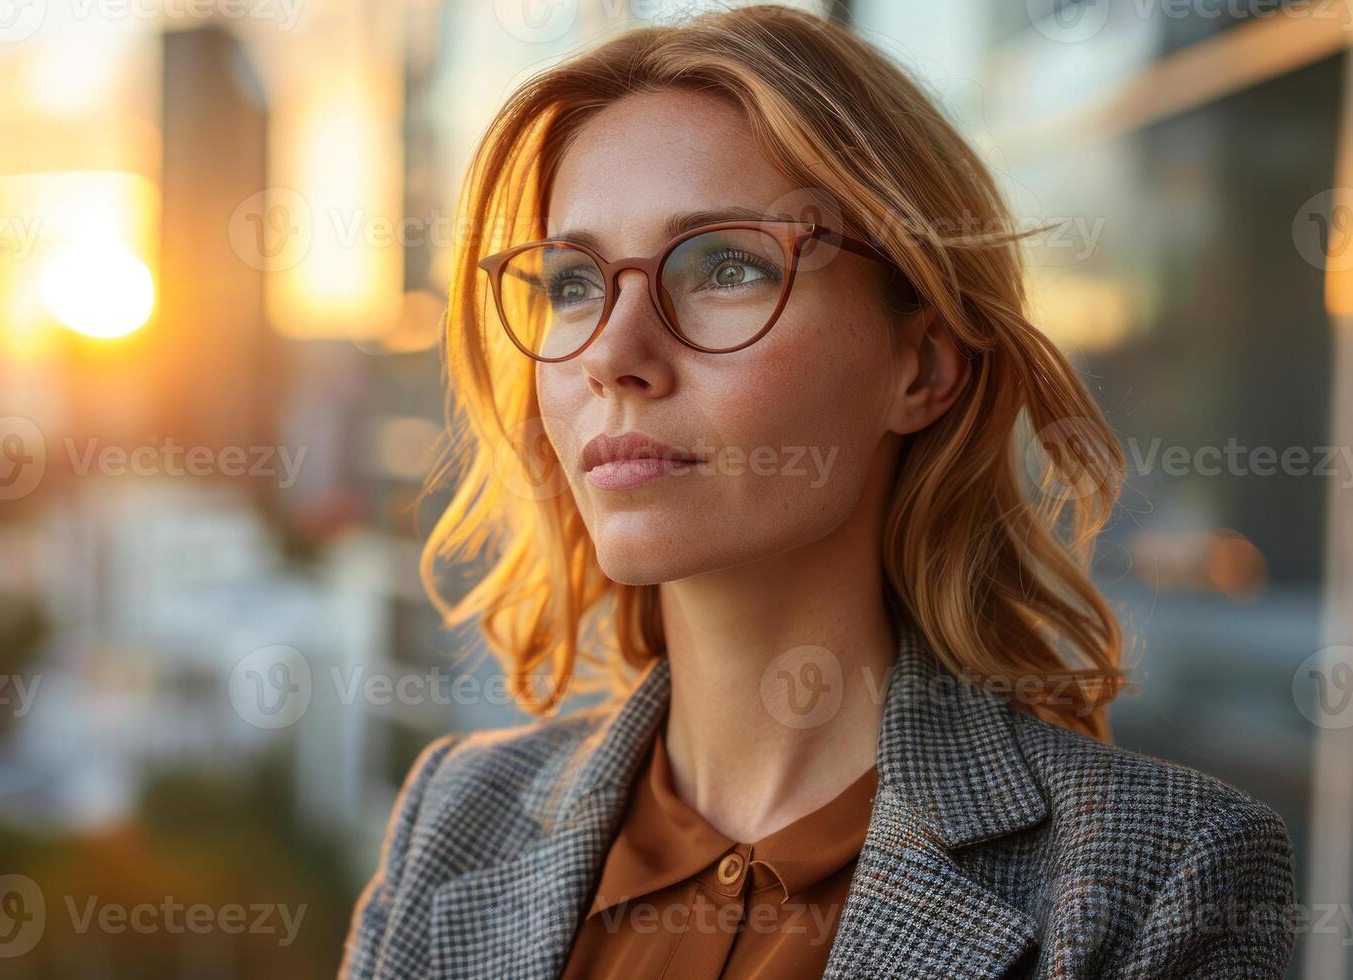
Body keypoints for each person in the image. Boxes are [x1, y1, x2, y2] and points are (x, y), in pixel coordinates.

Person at [341, 6, 1296, 977]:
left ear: (921, 366)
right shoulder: (454, 818)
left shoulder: (1161, 875)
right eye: (572, 282)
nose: (613, 356)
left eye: (726, 265)